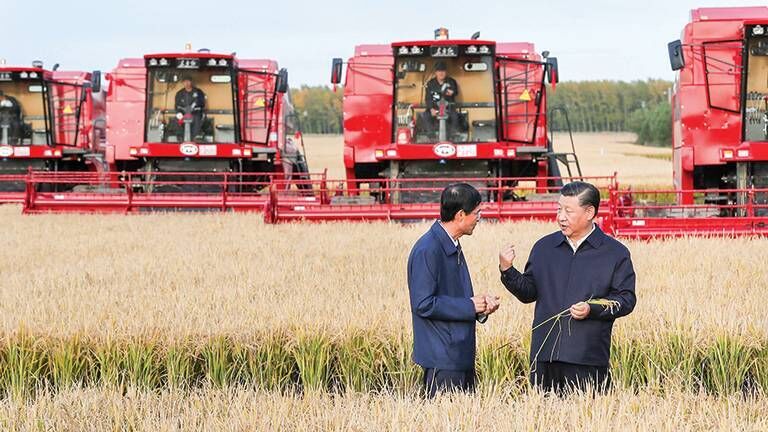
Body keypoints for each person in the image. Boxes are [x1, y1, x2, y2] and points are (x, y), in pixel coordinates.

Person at [499, 181, 636, 394]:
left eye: (568, 211)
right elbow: (529, 293)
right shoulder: (544, 247)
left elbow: (626, 300)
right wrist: (508, 270)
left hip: (586, 357)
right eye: (558, 209)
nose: (560, 217)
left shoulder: (615, 253)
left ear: (589, 212)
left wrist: (592, 309)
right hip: (544, 356)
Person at [408, 183, 500, 398]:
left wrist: (480, 308)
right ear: (460, 215)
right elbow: (422, 303)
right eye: (477, 213)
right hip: (443, 359)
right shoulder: (428, 250)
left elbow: (452, 298)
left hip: (457, 355)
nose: (479, 218)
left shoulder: (451, 244)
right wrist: (469, 305)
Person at [419, 61, 460, 139]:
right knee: (426, 115)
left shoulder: (451, 81)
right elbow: (428, 98)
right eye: (439, 71)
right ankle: (432, 137)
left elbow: (456, 92)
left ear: (446, 72)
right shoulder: (430, 83)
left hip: (448, 108)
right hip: (435, 108)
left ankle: (452, 137)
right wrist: (431, 109)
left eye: (443, 71)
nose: (441, 73)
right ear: (436, 73)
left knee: (455, 116)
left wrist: (452, 92)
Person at [174, 76, 206, 141]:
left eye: (188, 81)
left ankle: (195, 137)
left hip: (195, 113)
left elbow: (202, 104)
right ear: (183, 83)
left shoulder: (198, 92)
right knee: (176, 119)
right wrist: (178, 113)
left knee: (197, 118)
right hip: (183, 114)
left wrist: (196, 107)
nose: (187, 83)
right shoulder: (179, 93)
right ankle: (180, 138)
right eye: (185, 82)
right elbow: (177, 105)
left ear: (191, 82)